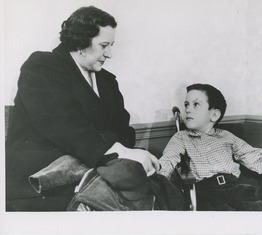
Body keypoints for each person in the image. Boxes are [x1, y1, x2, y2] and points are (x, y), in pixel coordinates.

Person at [6, 6, 159, 211]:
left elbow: (123, 131)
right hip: (42, 185)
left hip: (96, 178)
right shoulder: (43, 66)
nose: (110, 54)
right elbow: (63, 125)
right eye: (104, 45)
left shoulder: (107, 81)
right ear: (80, 43)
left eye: (111, 45)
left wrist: (128, 154)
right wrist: (117, 151)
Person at [158, 83, 262, 211]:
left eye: (196, 104)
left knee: (259, 210)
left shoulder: (226, 137)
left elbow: (256, 157)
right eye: (186, 104)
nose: (187, 109)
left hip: (235, 187)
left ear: (214, 115)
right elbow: (168, 159)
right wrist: (155, 172)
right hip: (205, 192)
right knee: (225, 217)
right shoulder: (181, 137)